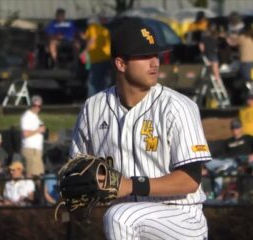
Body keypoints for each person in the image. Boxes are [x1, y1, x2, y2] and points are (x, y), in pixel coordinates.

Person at [70, 18, 211, 239]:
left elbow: (191, 180)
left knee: (120, 217)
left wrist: (130, 185)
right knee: (120, 217)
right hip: (127, 222)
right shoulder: (93, 108)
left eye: (156, 54)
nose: (155, 62)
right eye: (144, 56)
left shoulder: (178, 106)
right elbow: (77, 168)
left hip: (181, 217)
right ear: (121, 64)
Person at [82, 16, 111, 96]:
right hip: (106, 58)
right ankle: (104, 101)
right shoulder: (105, 30)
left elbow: (92, 39)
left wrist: (85, 51)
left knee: (92, 83)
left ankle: (92, 103)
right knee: (104, 82)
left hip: (96, 59)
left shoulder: (92, 27)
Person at [21, 95, 46, 177]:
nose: (37, 107)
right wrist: (38, 130)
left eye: (39, 106)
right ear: (31, 105)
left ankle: (40, 190)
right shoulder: (27, 116)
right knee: (32, 175)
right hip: (30, 150)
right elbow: (25, 134)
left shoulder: (36, 117)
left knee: (39, 176)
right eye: (35, 105)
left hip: (37, 150)